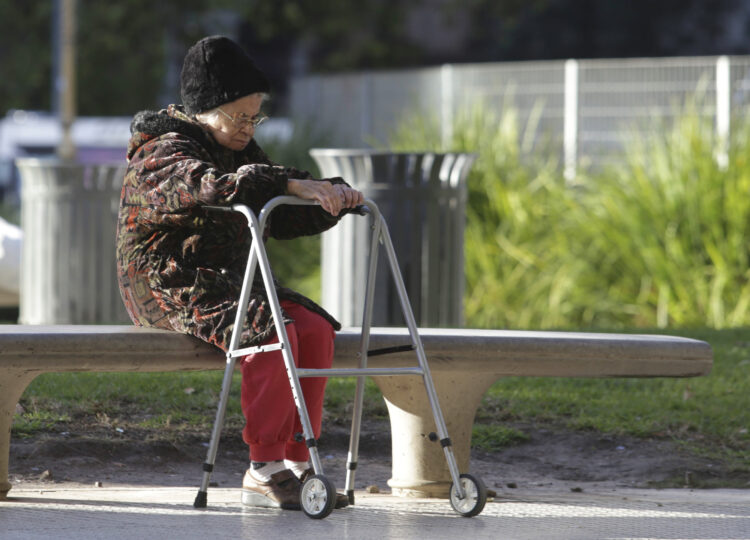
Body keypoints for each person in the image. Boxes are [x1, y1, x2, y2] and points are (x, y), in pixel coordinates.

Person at [115, 35, 363, 510]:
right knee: (271, 332)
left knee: (314, 329)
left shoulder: (236, 146)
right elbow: (209, 188)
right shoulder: (162, 152)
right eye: (240, 117)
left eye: (256, 117)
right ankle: (263, 466)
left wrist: (331, 198)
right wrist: (289, 182)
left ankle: (298, 458)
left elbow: (279, 212)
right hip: (168, 283)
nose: (249, 127)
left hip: (227, 283)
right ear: (208, 109)